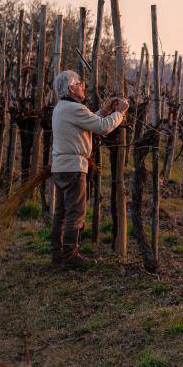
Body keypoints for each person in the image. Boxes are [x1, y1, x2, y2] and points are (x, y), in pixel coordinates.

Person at [50, 70, 128, 267]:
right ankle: (70, 256)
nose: (83, 84)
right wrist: (120, 113)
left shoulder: (63, 108)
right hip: (74, 168)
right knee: (75, 212)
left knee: (61, 212)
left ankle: (57, 254)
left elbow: (90, 121)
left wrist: (104, 111)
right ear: (71, 88)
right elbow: (102, 127)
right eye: (79, 83)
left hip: (60, 167)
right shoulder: (74, 109)